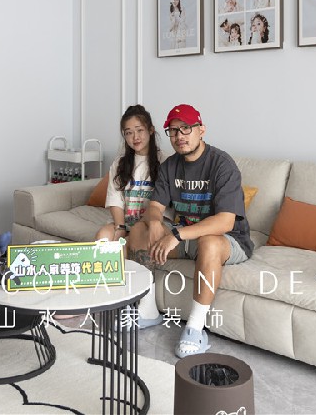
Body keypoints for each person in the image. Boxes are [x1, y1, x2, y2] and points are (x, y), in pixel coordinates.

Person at [128, 104, 252, 358]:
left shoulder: (222, 164)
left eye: (186, 128)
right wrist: (154, 223)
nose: (179, 136)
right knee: (139, 230)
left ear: (201, 130)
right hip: (185, 235)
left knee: (209, 242)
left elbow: (225, 222)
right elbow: (155, 206)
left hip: (227, 240)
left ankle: (195, 328)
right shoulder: (170, 166)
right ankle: (148, 309)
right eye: (173, 131)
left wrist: (175, 235)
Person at [94, 105, 164, 326]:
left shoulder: (164, 162)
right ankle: (115, 300)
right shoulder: (120, 163)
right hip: (125, 221)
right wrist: (120, 227)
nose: (135, 137)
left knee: (133, 237)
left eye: (140, 130)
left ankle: (139, 305)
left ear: (151, 130)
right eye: (128, 132)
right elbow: (115, 199)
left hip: (150, 224)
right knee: (104, 237)